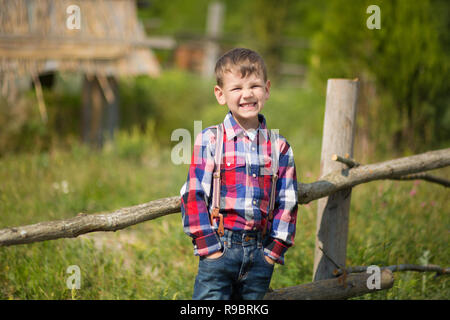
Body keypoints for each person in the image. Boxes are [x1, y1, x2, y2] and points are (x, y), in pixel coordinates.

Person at [180, 48, 298, 300]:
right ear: (220, 94)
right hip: (220, 247)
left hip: (259, 253)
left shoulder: (279, 147)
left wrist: (272, 253)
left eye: (254, 86)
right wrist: (209, 248)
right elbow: (193, 194)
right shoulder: (210, 140)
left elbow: (287, 202)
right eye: (236, 88)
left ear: (267, 89)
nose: (247, 94)